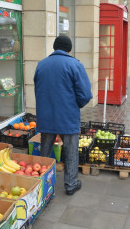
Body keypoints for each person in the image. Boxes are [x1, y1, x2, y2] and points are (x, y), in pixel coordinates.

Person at [34, 35, 92, 196]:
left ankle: (40, 180)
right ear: (69, 49)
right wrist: (76, 105)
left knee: (45, 149)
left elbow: (37, 89)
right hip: (67, 116)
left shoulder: (41, 64)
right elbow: (86, 94)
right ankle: (71, 184)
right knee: (71, 150)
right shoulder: (74, 64)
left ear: (54, 47)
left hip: (46, 115)